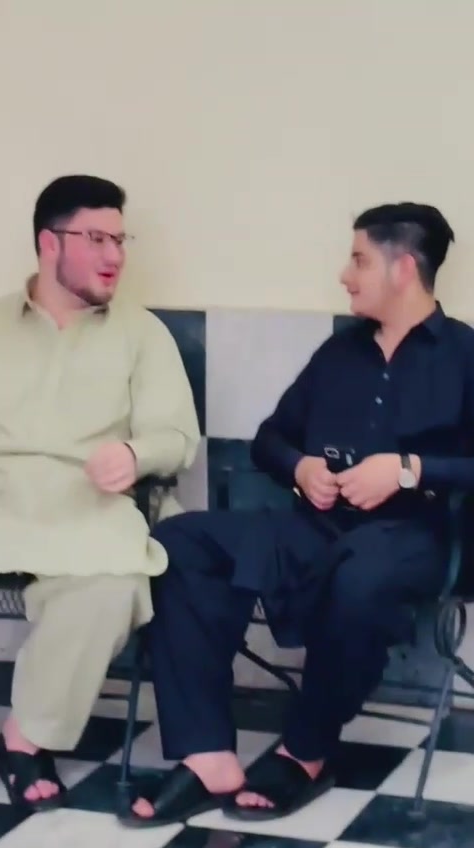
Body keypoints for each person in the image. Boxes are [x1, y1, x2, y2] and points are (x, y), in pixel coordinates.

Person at [126, 202, 474, 828]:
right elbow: (270, 439)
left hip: (413, 536)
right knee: (180, 540)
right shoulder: (341, 352)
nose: (345, 274)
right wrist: (301, 467)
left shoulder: (465, 355)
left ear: (403, 268)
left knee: (362, 577)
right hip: (316, 526)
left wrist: (407, 469)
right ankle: (208, 756)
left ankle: (306, 751)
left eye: (359, 260)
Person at [0, 175, 200, 813]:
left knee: (114, 586)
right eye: (97, 238)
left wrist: (135, 455)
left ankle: (23, 738)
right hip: (1, 499)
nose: (115, 255)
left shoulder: (142, 333)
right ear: (49, 243)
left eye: (120, 239)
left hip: (87, 505)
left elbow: (177, 437)